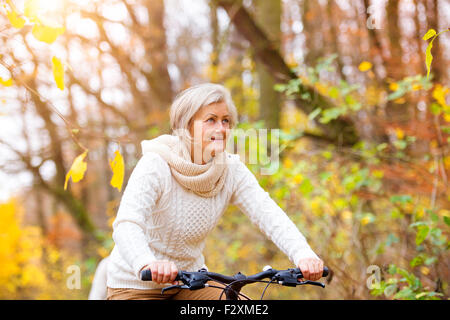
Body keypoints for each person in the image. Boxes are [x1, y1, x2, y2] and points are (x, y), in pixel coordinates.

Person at [106, 83, 324, 300]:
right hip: (135, 286)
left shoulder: (230, 169)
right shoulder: (156, 164)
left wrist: (303, 254)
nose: (221, 129)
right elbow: (127, 224)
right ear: (187, 125)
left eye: (226, 121)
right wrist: (147, 262)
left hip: (189, 283)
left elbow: (268, 213)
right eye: (211, 120)